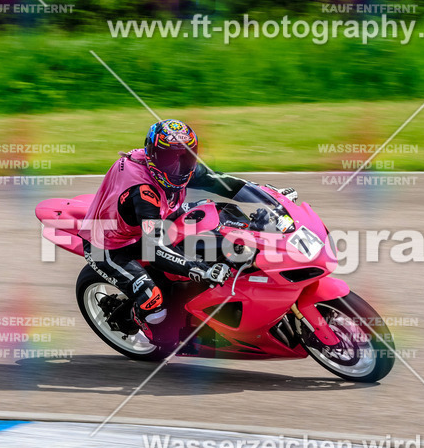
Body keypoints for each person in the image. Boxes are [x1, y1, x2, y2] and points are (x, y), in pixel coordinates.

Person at [79, 119, 294, 341]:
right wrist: (201, 269)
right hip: (109, 245)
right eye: (169, 158)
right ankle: (133, 319)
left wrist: (272, 199)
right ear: (152, 154)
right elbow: (154, 248)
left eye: (186, 156)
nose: (179, 167)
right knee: (154, 307)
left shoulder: (184, 170)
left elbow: (224, 183)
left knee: (219, 213)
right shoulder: (143, 193)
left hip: (159, 217)